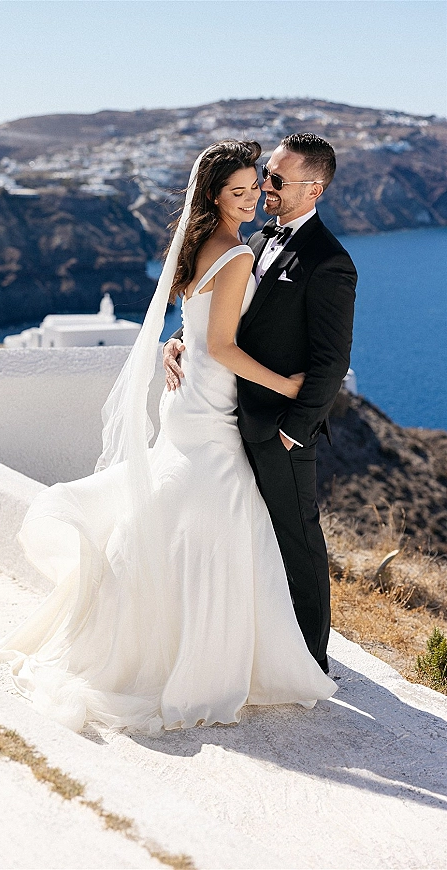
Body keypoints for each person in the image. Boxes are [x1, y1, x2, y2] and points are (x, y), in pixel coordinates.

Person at [0, 140, 336, 733]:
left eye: (257, 188)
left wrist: (177, 344)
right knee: (219, 515)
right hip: (210, 404)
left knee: (181, 513)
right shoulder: (239, 252)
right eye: (240, 190)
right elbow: (220, 343)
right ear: (213, 195)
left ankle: (158, 636)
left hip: (189, 400)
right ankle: (206, 653)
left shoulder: (200, 247)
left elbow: (197, 326)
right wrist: (290, 388)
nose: (253, 198)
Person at [164, 133, 357, 674]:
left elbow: (331, 361)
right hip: (225, 414)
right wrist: (180, 340)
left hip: (277, 428)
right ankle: (251, 644)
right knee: (246, 534)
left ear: (314, 188)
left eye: (276, 180)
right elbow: (218, 320)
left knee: (297, 539)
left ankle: (309, 658)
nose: (265, 187)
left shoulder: (330, 262)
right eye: (265, 176)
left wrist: (295, 428)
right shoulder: (258, 238)